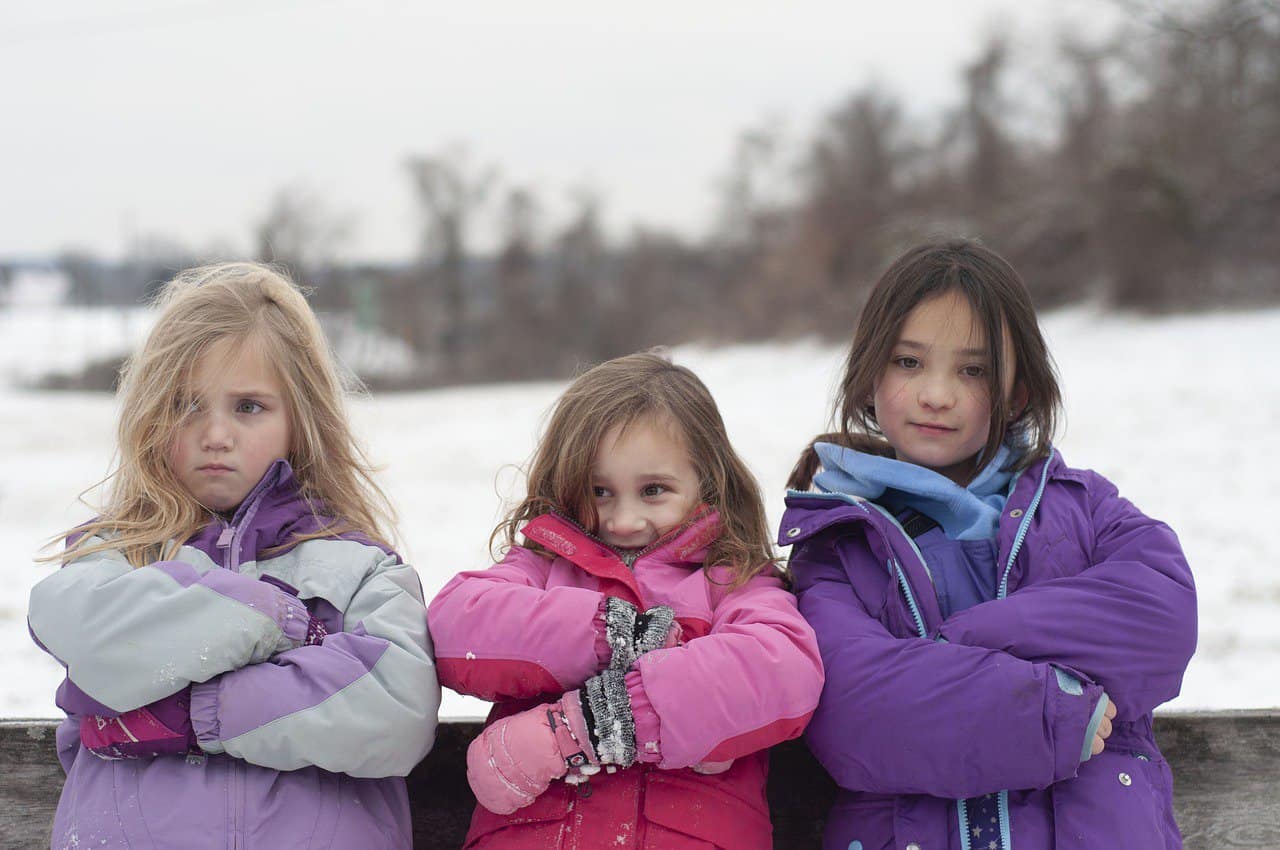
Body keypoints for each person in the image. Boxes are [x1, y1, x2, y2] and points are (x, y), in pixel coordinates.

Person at [782, 240, 1196, 850]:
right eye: (908, 363)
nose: (937, 394)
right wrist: (1048, 709)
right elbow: (854, 712)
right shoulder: (838, 543)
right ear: (870, 374)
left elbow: (1160, 618)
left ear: (1018, 392)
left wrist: (940, 649)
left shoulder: (1083, 509)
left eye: (972, 371)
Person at [27, 262, 439, 850]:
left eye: (248, 407)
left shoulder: (357, 567)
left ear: (301, 421)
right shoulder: (115, 554)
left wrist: (194, 714)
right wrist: (276, 621)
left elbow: (395, 709)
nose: (215, 433)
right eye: (187, 405)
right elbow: (86, 631)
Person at [429, 351, 824, 849]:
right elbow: (455, 625)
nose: (623, 521)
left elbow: (780, 670)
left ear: (709, 482)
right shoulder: (545, 567)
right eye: (599, 491)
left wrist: (586, 726)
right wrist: (615, 634)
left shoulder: (733, 581)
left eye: (653, 490)